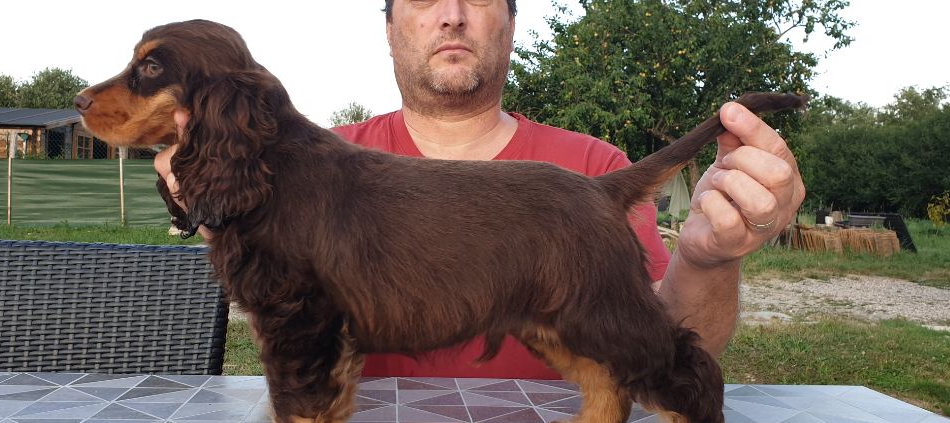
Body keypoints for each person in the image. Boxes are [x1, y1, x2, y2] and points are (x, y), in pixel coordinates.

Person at [154, 0, 805, 379]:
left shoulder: (590, 168)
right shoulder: (294, 170)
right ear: (388, 29)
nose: (453, 16)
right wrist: (214, 207)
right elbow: (284, 323)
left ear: (511, 24)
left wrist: (707, 259)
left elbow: (660, 340)